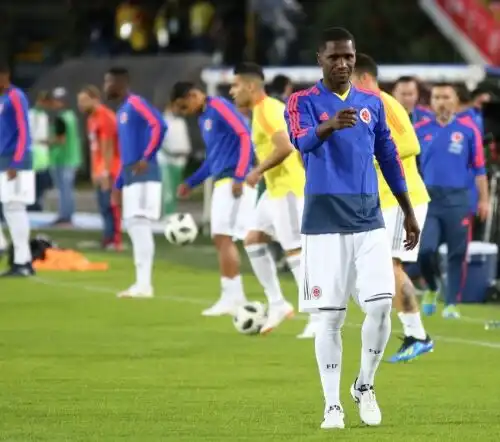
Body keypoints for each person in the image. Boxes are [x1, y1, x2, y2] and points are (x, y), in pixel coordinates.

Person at [284, 28, 419, 429]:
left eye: (349, 56)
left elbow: (389, 157)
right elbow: (300, 141)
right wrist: (328, 126)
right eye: (334, 57)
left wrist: (408, 210)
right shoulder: (302, 101)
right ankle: (332, 405)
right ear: (320, 59)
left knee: (380, 306)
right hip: (324, 222)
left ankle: (364, 385)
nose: (342, 63)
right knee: (330, 318)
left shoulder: (371, 103)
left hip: (368, 218)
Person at [351, 53, 433, 362]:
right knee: (373, 267)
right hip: (381, 201)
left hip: (403, 200)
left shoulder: (383, 102)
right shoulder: (365, 106)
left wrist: (373, 158)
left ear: (364, 78)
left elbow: (411, 145)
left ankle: (418, 335)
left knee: (390, 266)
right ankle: (398, 327)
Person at [230, 62, 303, 334]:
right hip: (274, 190)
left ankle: (319, 317)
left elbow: (285, 146)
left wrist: (257, 170)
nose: (231, 91)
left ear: (250, 86)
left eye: (236, 85)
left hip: (288, 189)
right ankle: (278, 303)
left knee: (295, 251)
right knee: (253, 240)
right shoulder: (263, 110)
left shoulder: (267, 109)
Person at [171, 81, 256, 317]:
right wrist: (191, 182)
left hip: (232, 180)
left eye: (183, 106)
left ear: (193, 95)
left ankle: (233, 297)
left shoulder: (218, 106)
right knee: (224, 237)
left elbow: (244, 135)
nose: (184, 112)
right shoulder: (203, 119)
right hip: (222, 181)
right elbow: (212, 159)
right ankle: (234, 296)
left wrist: (240, 175)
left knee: (226, 237)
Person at [416, 83, 489, 319]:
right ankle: (431, 287)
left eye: (446, 97)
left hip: (459, 200)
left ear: (456, 100)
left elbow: (480, 169)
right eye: (437, 97)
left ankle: (451, 304)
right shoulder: (420, 129)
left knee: (457, 254)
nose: (441, 102)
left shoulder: (469, 130)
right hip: (429, 199)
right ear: (431, 102)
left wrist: (484, 200)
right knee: (425, 250)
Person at [104, 67, 167, 297]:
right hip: (130, 175)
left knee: (139, 223)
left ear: (120, 83)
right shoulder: (122, 111)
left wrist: (147, 157)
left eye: (108, 82)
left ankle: (144, 284)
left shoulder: (136, 103)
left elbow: (160, 125)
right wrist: (118, 184)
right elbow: (127, 152)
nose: (105, 87)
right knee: (132, 224)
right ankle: (141, 283)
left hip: (144, 174)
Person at [0, 63, 35, 277]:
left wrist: (17, 162)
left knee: (14, 209)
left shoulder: (16, 96)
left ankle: (23, 262)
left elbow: (24, 130)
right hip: (2, 160)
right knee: (8, 209)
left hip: (15, 160)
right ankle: (10, 251)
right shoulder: (2, 99)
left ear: (4, 75)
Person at [77, 85, 122, 251]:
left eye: (84, 100)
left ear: (95, 99)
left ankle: (114, 240)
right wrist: (93, 170)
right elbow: (94, 148)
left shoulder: (106, 116)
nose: (80, 105)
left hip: (111, 168)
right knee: (103, 206)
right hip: (100, 168)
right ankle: (107, 237)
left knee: (111, 205)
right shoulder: (91, 119)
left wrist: (105, 172)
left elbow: (108, 147)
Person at [48, 87, 82, 226]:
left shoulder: (61, 118)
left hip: (62, 159)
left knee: (64, 190)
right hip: (72, 158)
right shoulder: (71, 116)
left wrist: (46, 142)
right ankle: (67, 215)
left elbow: (60, 140)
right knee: (67, 189)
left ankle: (64, 216)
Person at [28, 90, 51, 211]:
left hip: (43, 152)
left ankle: (38, 202)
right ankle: (32, 203)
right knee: (33, 180)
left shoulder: (44, 115)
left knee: (42, 180)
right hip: (34, 150)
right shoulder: (31, 115)